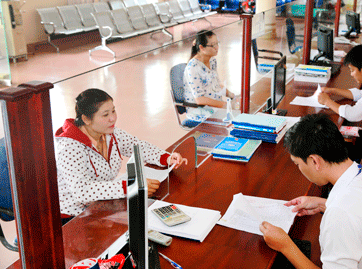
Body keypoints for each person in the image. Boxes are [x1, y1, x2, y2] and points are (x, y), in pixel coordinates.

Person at [260, 114, 362, 269]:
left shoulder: (339, 216)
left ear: (315, 161)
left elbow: (345, 214)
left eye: (297, 164)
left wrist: (285, 245)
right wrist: (323, 204)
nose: (299, 169)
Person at [55, 88, 187, 221]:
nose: (113, 118)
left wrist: (166, 157)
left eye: (113, 110)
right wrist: (130, 186)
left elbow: (137, 146)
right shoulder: (69, 147)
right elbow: (82, 191)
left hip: (101, 204)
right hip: (74, 216)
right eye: (105, 115)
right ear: (86, 119)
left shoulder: (109, 133)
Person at [183, 30, 235, 121]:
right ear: (201, 48)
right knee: (237, 119)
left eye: (217, 43)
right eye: (212, 45)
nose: (217, 47)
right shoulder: (193, 67)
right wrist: (224, 105)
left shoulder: (212, 60)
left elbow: (217, 84)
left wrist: (232, 96)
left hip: (216, 107)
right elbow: (200, 100)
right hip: (200, 112)